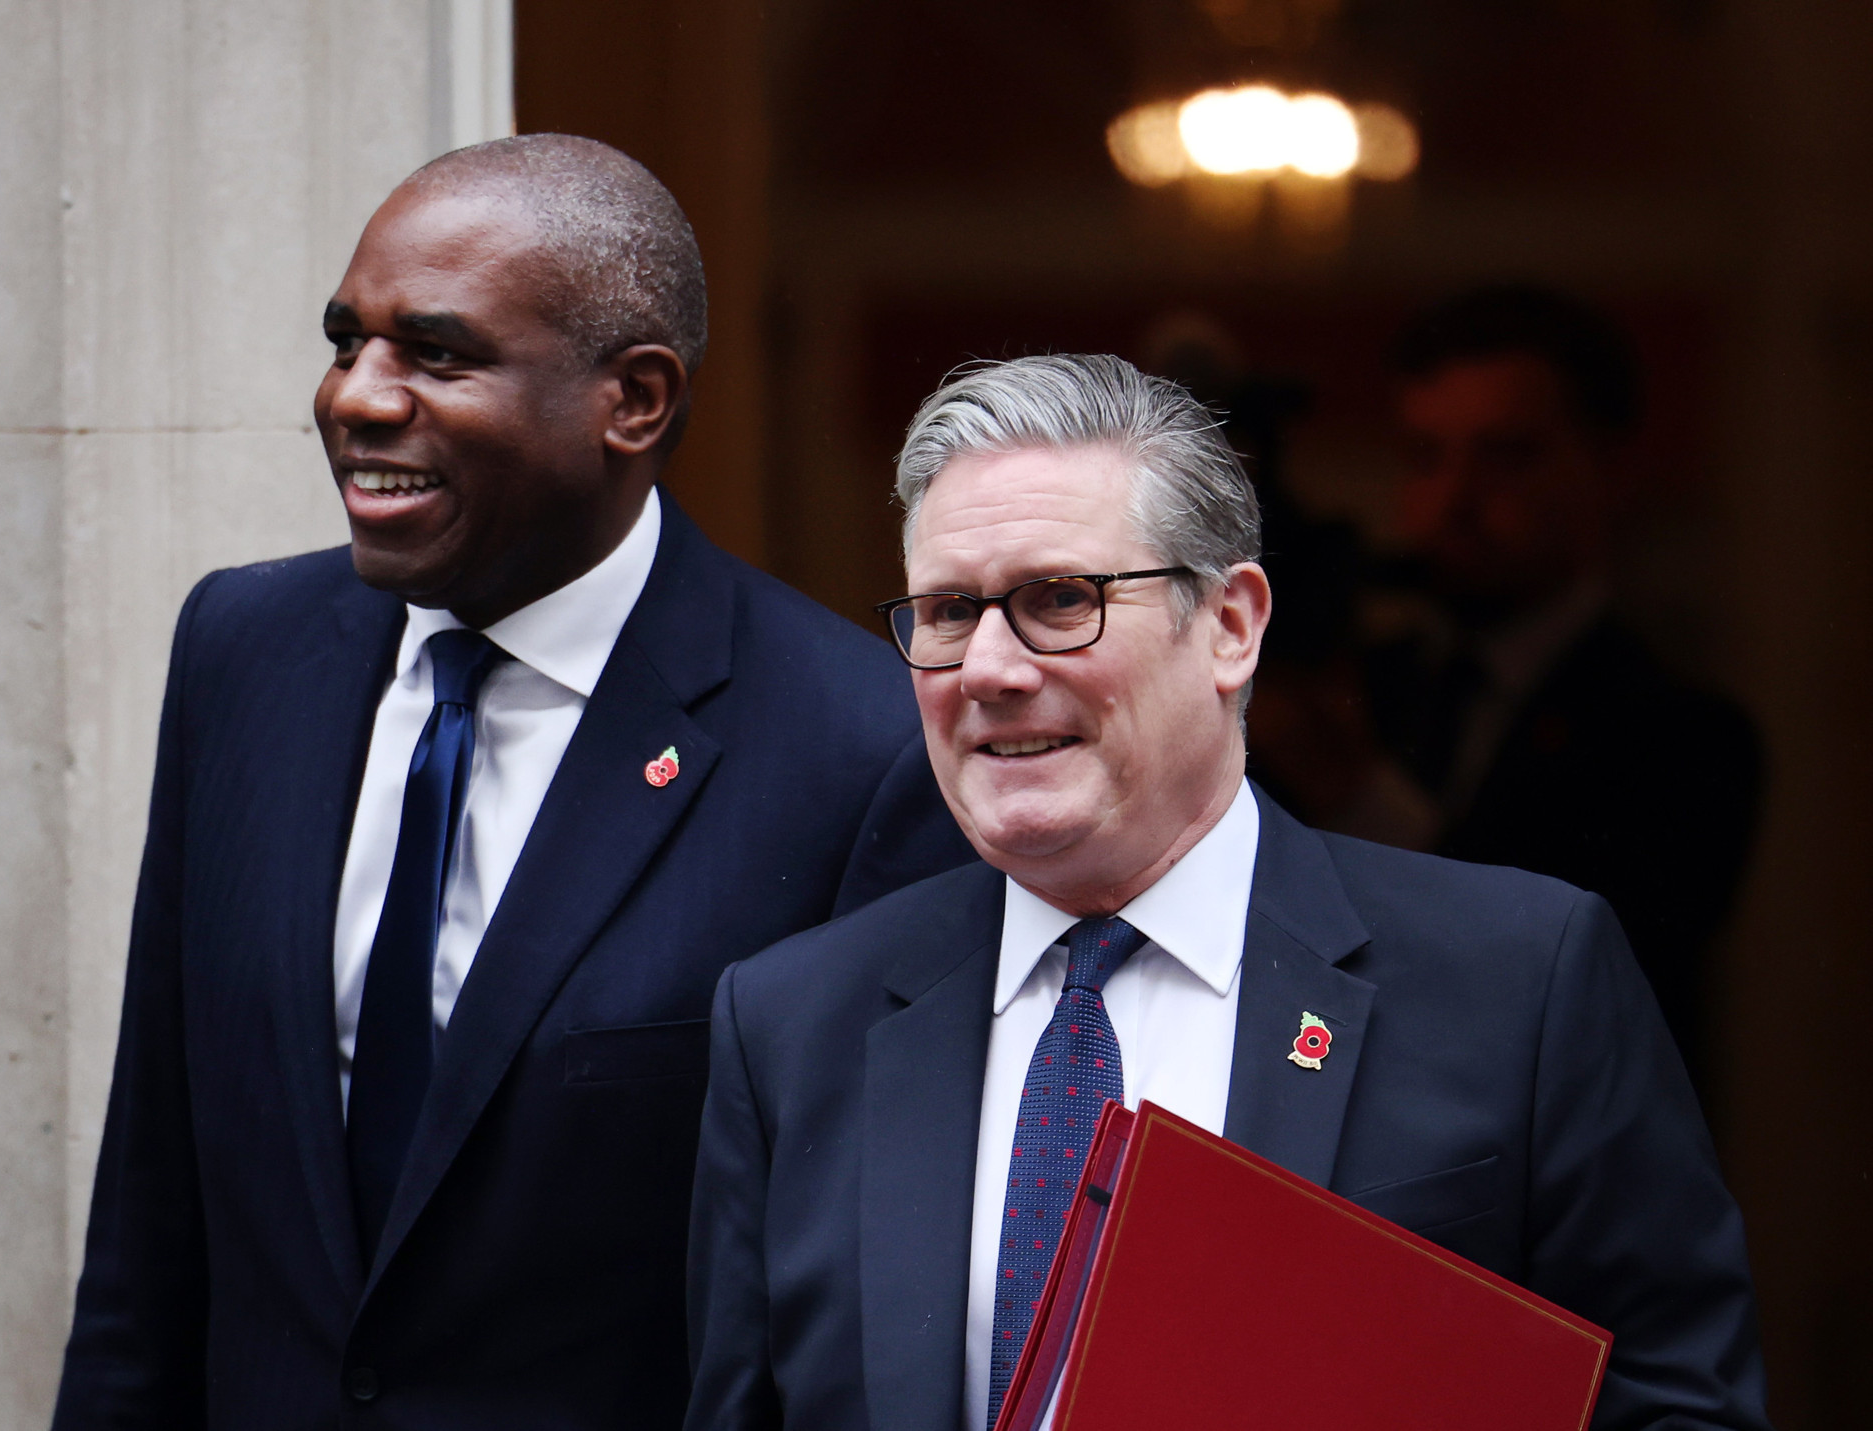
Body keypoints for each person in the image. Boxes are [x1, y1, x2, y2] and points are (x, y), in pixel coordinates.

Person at [52, 135, 970, 1430]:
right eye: (345, 342)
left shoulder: (857, 748)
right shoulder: (240, 651)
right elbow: (152, 1207)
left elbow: (844, 1321)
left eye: (435, 355)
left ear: (632, 400)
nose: (356, 398)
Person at [685, 354, 1768, 1431]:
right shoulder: (793, 1026)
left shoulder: (1518, 980)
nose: (990, 669)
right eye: (949, 612)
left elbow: (1680, 1406)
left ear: (1231, 626)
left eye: (1059, 600)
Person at [1368, 286, 1762, 1075]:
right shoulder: (1371, 686)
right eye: (1426, 458)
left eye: (1507, 455)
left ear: (1608, 470)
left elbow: (1563, 977)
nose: (1455, 499)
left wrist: (1356, 794)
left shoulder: (1686, 735)